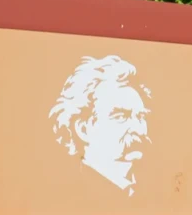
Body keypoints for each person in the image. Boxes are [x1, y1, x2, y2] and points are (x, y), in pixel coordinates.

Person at [49, 55, 152, 196]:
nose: (139, 129)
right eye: (121, 116)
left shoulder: (149, 191)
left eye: (141, 116)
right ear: (83, 128)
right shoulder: (69, 196)